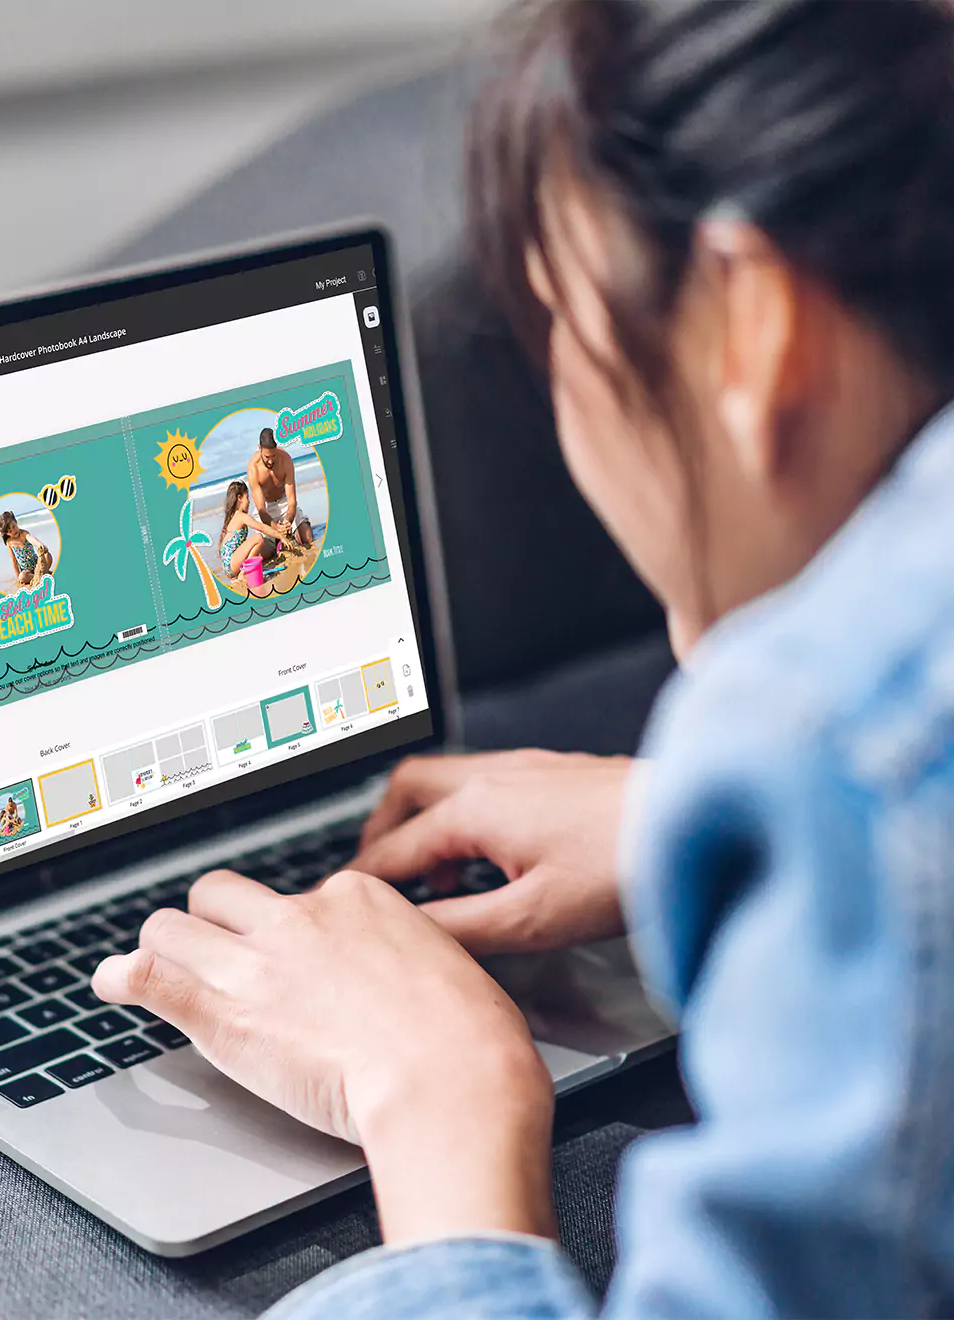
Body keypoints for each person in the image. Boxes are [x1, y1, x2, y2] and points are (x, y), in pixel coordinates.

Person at [89, 1, 954, 1315]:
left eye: (562, 318)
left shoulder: (835, 741)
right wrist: (680, 813)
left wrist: (444, 1107)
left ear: (754, 329)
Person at [247, 428, 313, 550]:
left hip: (285, 504)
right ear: (259, 448)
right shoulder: (253, 468)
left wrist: (288, 521)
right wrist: (276, 529)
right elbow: (262, 509)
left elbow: (292, 502)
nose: (271, 461)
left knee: (307, 538)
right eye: (267, 457)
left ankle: (294, 530)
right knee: (265, 551)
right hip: (266, 509)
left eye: (274, 455)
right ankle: (276, 540)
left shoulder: (285, 460)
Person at [218, 481, 279, 579]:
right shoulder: (242, 516)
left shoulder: (232, 517)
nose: (249, 501)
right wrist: (280, 536)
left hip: (228, 567)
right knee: (258, 538)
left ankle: (240, 573)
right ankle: (243, 573)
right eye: (247, 497)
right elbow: (261, 528)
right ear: (239, 498)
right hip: (232, 563)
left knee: (260, 550)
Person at [0, 509, 53, 587]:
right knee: (22, 577)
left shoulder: (24, 534)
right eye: (10, 531)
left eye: (14, 526)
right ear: (6, 533)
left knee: (48, 555)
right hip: (27, 571)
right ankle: (37, 577)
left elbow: (32, 539)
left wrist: (40, 545)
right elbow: (13, 560)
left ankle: (42, 572)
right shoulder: (9, 542)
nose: (13, 531)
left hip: (37, 564)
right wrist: (18, 577)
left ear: (16, 522)